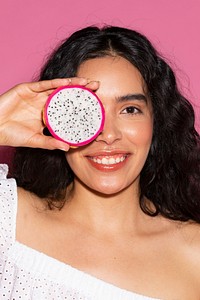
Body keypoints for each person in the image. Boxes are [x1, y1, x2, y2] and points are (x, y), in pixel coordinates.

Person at [0, 25, 199, 300]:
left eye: (130, 110)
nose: (108, 135)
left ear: (157, 122)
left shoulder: (194, 254)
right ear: (55, 121)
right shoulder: (8, 219)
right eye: (84, 111)